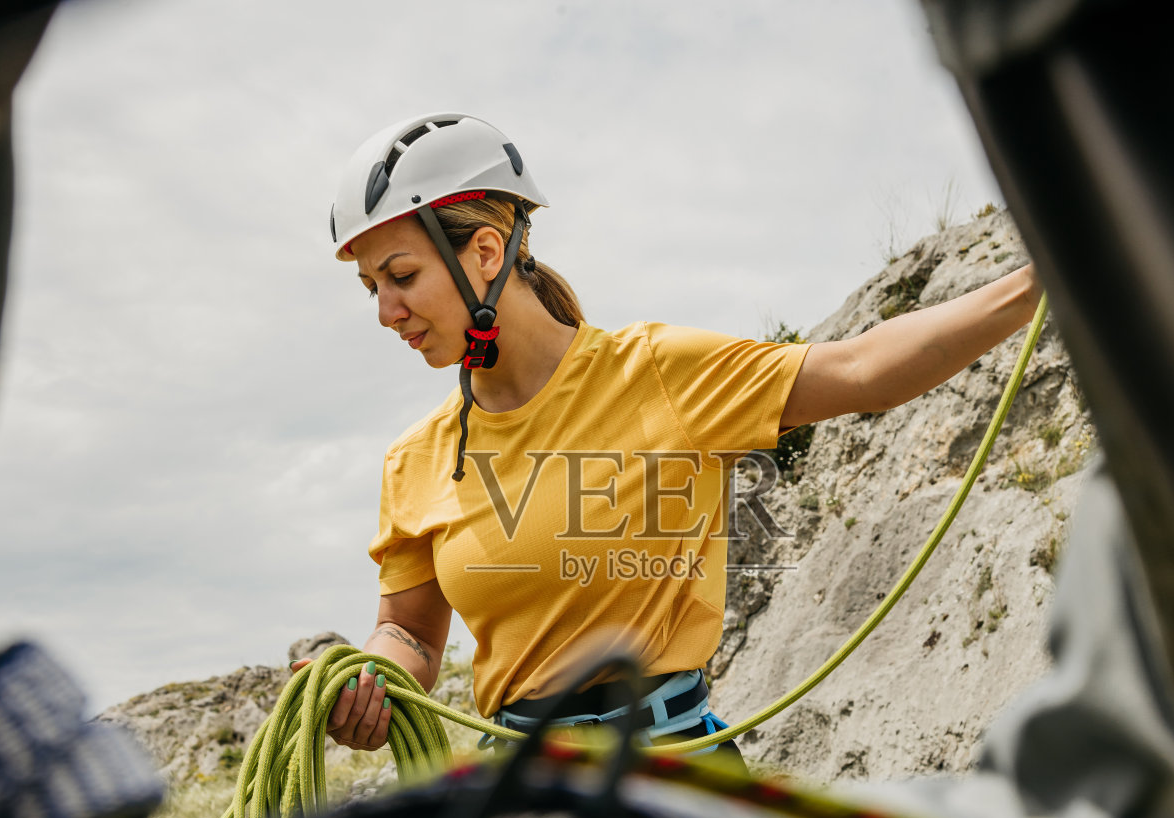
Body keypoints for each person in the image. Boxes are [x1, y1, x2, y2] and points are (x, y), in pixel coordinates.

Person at [316, 112, 1041, 760]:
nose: (386, 311)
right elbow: (410, 635)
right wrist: (370, 676)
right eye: (372, 286)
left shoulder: (656, 372)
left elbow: (863, 369)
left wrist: (1042, 281)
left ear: (484, 251)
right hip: (523, 801)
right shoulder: (415, 459)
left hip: (677, 777)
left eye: (401, 275)